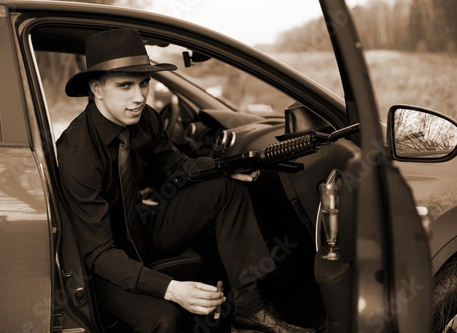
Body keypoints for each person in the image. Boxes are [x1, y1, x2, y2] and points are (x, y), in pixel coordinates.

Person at [57, 28, 314, 333]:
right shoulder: (78, 154)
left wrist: (223, 167)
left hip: (142, 229)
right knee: (165, 319)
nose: (138, 97)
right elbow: (99, 253)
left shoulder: (145, 119)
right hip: (104, 264)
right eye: (125, 86)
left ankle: (250, 308)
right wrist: (173, 289)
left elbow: (177, 166)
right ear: (97, 88)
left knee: (226, 189)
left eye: (143, 84)